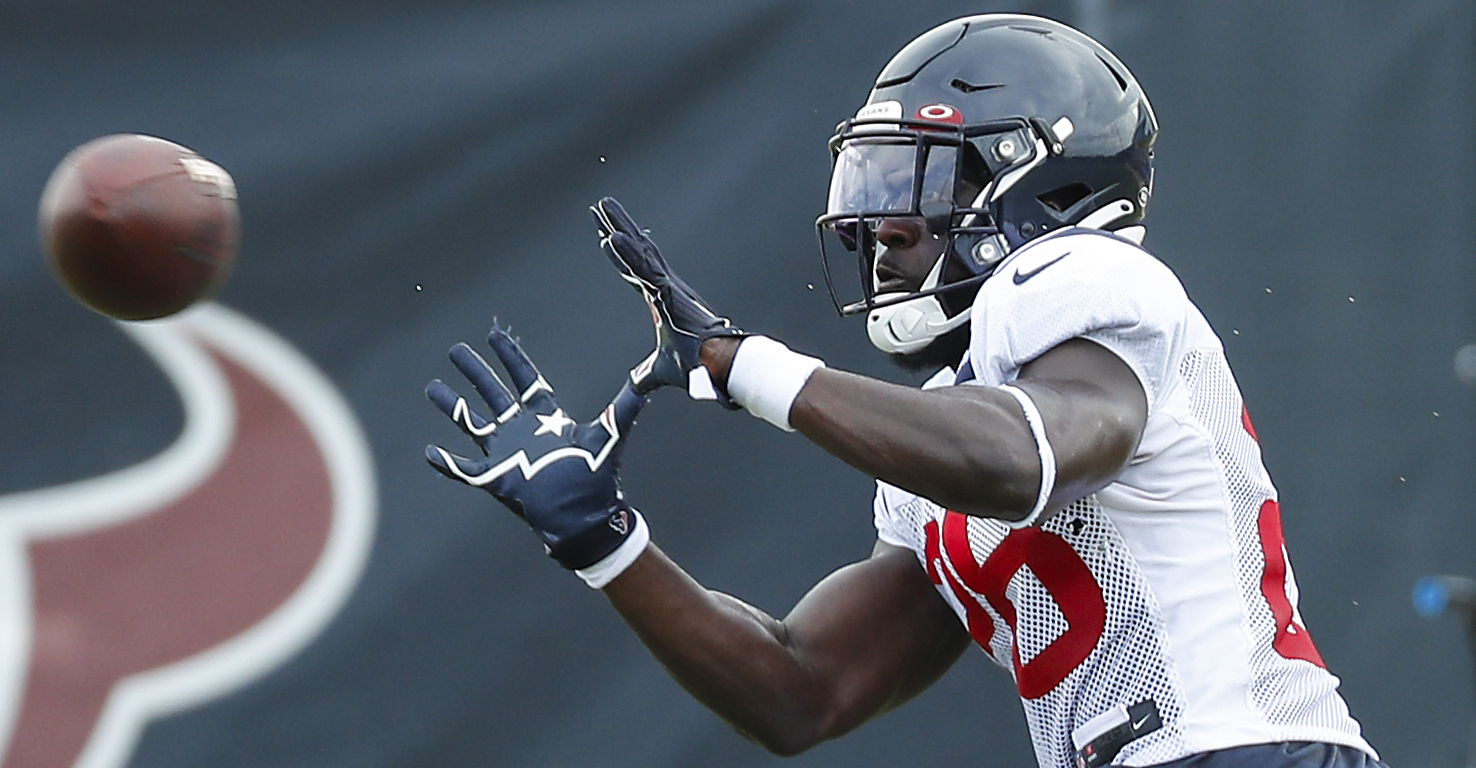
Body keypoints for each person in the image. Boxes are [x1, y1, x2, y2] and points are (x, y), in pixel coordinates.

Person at [424, 13, 1385, 768]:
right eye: (871, 178)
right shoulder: (955, 409)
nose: (878, 223)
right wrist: (606, 545)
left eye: (913, 178)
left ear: (1034, 188)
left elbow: (1022, 459)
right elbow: (806, 690)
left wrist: (742, 363)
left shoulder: (1078, 277)